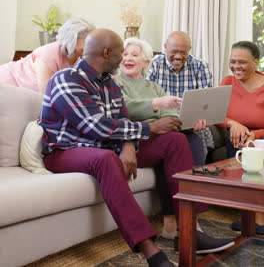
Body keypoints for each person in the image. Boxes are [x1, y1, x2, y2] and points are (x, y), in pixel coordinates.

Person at [39, 28, 234, 266]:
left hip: (108, 146)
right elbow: (96, 126)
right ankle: (150, 251)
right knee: (105, 158)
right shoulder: (66, 79)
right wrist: (149, 129)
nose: (123, 59)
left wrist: (129, 146)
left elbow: (123, 119)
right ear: (106, 52)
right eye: (121, 53)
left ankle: (189, 231)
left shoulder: (109, 83)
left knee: (175, 140)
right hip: (65, 151)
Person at [115, 37, 207, 240]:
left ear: (146, 62)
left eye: (134, 55)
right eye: (125, 54)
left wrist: (172, 120)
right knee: (175, 141)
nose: (128, 58)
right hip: (136, 139)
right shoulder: (115, 82)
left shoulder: (153, 86)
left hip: (158, 138)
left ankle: (173, 224)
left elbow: (172, 114)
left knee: (188, 140)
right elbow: (124, 107)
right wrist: (156, 107)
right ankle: (190, 222)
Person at [219, 40, 264, 235]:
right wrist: (232, 123)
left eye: (242, 62)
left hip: (261, 137)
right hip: (237, 139)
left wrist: (255, 134)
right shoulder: (228, 82)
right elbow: (214, 112)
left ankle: (258, 216)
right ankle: (249, 214)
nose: (236, 66)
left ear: (256, 62)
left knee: (256, 151)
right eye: (233, 61)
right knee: (241, 147)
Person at [146, 31, 214, 153]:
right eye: (174, 51)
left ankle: (194, 172)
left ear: (189, 49)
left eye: (183, 52)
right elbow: (146, 100)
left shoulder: (200, 66)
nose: (178, 56)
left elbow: (206, 103)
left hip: (192, 125)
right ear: (165, 47)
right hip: (162, 122)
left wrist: (203, 118)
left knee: (195, 143)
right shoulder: (153, 64)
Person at [0, 17, 95, 93]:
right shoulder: (49, 53)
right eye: (88, 41)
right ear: (72, 39)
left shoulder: (81, 56)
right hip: (8, 82)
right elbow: (46, 95)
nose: (92, 46)